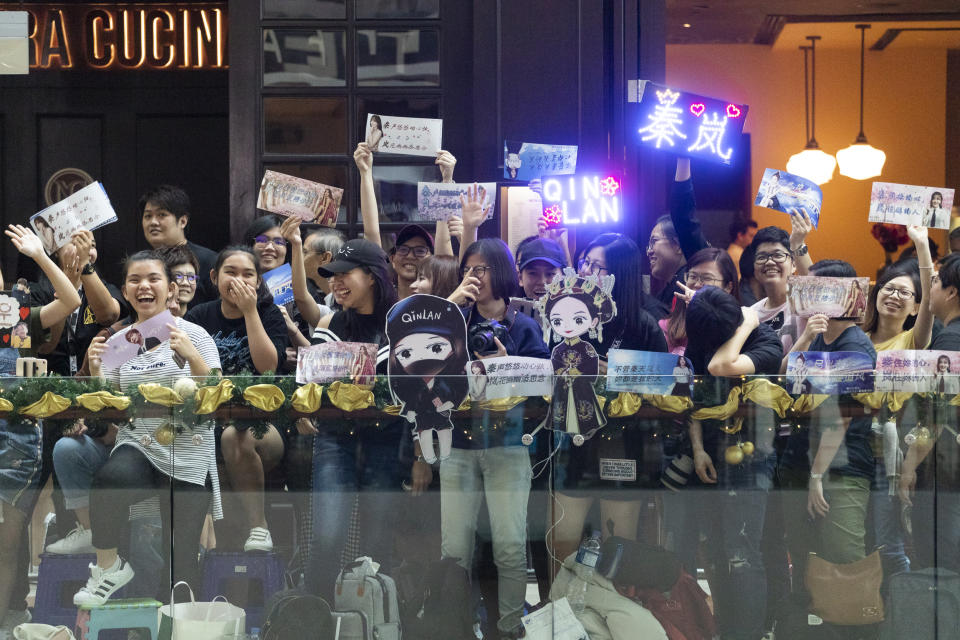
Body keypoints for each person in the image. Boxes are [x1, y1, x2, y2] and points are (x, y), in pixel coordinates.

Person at [71, 250, 220, 605]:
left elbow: (216, 392)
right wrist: (96, 371)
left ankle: (177, 624)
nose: (144, 286)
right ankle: (109, 567)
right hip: (139, 443)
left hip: (189, 450)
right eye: (135, 280)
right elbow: (109, 407)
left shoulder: (195, 334)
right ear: (125, 291)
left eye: (153, 279)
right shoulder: (121, 343)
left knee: (180, 559)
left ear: (170, 290)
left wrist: (192, 356)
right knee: (110, 480)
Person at [446, 236, 549, 638]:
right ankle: (454, 626)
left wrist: (509, 366)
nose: (474, 276)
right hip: (457, 445)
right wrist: (452, 304)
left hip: (508, 445)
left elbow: (545, 380)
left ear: (501, 271)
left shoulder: (523, 325)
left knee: (509, 547)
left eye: (482, 269)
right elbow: (416, 353)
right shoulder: (453, 319)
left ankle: (508, 629)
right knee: (454, 551)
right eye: (468, 269)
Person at [685, 285, 783, 640]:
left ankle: (749, 634)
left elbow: (720, 365)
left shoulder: (766, 342)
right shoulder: (705, 334)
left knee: (742, 554)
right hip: (710, 453)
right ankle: (725, 630)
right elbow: (692, 396)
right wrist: (697, 449)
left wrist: (745, 323)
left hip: (752, 456)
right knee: (713, 552)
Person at [303, 239, 399, 599]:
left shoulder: (399, 325)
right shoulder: (329, 322)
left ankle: (377, 624)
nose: (336, 283)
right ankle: (317, 620)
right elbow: (308, 384)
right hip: (334, 437)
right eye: (332, 277)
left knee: (378, 542)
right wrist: (303, 409)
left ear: (372, 277)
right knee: (327, 538)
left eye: (345, 275)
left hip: (387, 437)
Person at [0, 225, 82, 633]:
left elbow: (71, 299)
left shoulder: (11, 318)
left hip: (12, 444)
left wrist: (39, 255)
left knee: (5, 545)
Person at [784, 260, 877, 606]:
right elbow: (785, 380)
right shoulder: (819, 337)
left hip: (841, 470)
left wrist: (816, 475)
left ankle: (856, 629)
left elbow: (843, 418)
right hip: (805, 462)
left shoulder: (856, 345)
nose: (812, 296)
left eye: (820, 289)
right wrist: (806, 336)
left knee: (843, 558)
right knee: (808, 559)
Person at [185, 246, 290, 552]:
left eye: (248, 274)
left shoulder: (269, 314)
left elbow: (268, 367)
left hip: (261, 424)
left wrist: (250, 311)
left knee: (236, 437)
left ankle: (259, 528)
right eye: (231, 272)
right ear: (215, 277)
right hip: (207, 424)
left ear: (259, 282)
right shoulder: (199, 316)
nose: (239, 280)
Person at [901, 251, 960, 572]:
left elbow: (937, 410)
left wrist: (910, 465)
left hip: (944, 470)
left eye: (935, 281)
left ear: (952, 293)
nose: (930, 288)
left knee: (939, 557)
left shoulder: (951, 339)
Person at [30, 230, 123, 376]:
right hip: (49, 383)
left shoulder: (106, 289)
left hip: (93, 382)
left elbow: (109, 316)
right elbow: (45, 346)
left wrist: (84, 265)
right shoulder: (36, 291)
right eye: (76, 244)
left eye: (91, 246)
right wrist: (66, 292)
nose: (85, 250)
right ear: (55, 251)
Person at [139, 185, 218, 306]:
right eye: (148, 216)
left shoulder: (209, 260)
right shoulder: (141, 263)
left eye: (162, 215)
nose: (153, 222)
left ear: (183, 221)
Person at [660, 247, 739, 355]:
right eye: (692, 276)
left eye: (707, 278)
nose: (697, 284)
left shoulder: (741, 329)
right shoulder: (665, 328)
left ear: (728, 287)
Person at [158, 245, 200, 318]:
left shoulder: (201, 323)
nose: (185, 283)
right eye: (178, 276)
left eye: (191, 277)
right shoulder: (140, 322)